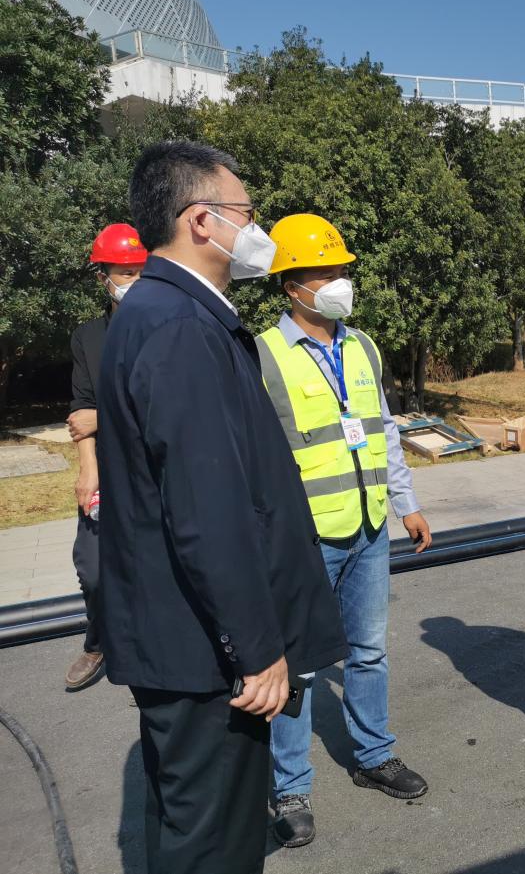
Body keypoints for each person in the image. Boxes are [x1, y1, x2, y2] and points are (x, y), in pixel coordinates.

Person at [96, 141, 347, 874]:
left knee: (190, 828)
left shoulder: (168, 312)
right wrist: (256, 648)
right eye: (247, 212)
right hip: (205, 650)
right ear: (201, 220)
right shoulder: (179, 325)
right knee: (215, 841)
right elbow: (207, 509)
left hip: (186, 639)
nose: (256, 228)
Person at [255, 213, 432, 848]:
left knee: (369, 651)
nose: (337, 282)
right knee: (298, 665)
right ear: (291, 286)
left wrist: (406, 502)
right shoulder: (262, 355)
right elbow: (255, 453)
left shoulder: (361, 346)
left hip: (369, 523)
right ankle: (290, 786)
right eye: (323, 273)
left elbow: (383, 430)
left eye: (340, 270)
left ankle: (374, 755)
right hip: (303, 538)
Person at [63, 223, 147, 691]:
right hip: (109, 473)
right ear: (103, 278)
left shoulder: (165, 329)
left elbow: (168, 405)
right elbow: (81, 413)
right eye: (125, 272)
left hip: (155, 471)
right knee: (93, 569)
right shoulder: (88, 337)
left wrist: (104, 417)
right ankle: (98, 641)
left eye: (141, 271)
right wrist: (88, 470)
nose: (134, 280)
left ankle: (155, 655)